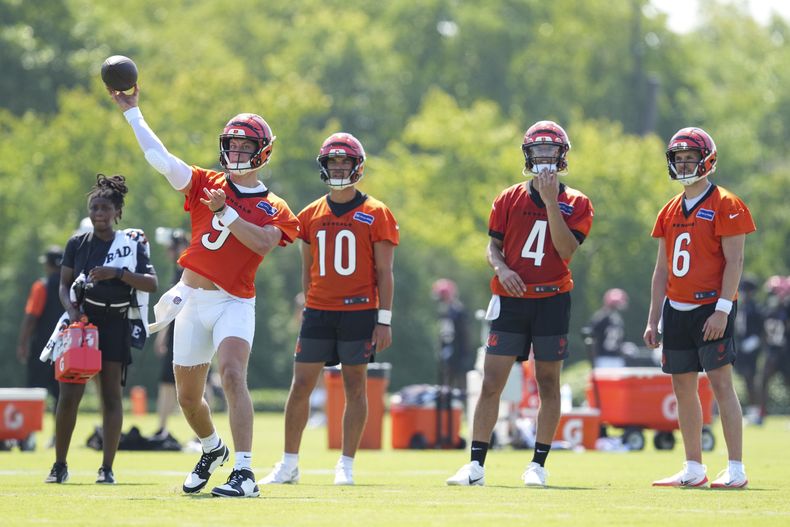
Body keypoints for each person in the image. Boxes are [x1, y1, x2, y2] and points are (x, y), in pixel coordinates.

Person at [110, 85, 300, 498]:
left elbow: (264, 243)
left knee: (232, 374)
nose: (235, 152)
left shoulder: (274, 204)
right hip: (192, 299)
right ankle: (213, 449)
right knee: (188, 399)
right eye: (230, 145)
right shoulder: (204, 182)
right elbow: (160, 160)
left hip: (234, 301)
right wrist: (133, 113)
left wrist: (225, 212)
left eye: (244, 145)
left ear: (263, 151)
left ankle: (245, 473)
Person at [446, 121, 593, 487]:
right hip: (511, 300)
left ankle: (538, 465)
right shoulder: (508, 198)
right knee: (492, 380)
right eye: (538, 151)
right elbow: (492, 246)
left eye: (551, 151)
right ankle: (476, 465)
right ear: (528, 155)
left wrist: (549, 202)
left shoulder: (576, 202)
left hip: (552, 300)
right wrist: (501, 267)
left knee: (548, 382)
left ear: (562, 157)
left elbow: (566, 249)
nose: (544, 157)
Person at [259, 133, 398, 486]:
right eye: (333, 162)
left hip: (359, 311)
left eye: (344, 162)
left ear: (357, 167)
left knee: (355, 385)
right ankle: (289, 463)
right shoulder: (310, 214)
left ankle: (346, 464)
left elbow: (385, 272)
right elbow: (306, 269)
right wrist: (309, 305)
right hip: (319, 311)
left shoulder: (376, 212)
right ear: (324, 166)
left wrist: (384, 319)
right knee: (300, 385)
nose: (338, 168)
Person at [644, 127, 755, 489]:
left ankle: (736, 468)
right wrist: (653, 318)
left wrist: (723, 309)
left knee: (722, 384)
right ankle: (693, 466)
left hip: (711, 306)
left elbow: (735, 261)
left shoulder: (727, 203)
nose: (684, 164)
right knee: (682, 387)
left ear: (707, 160)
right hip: (676, 308)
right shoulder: (669, 210)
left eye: (690, 157)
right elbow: (661, 270)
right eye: (679, 158)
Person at [45, 174, 158, 484]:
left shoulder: (131, 245)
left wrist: (118, 273)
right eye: (94, 208)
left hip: (116, 323)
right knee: (69, 395)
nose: (99, 214)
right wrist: (73, 312)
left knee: (111, 397)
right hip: (84, 323)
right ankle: (60, 464)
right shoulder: (77, 242)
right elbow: (65, 284)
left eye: (105, 208)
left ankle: (106, 468)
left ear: (117, 212)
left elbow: (152, 283)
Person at [16, 246, 63, 449]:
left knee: (33, 394)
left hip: (41, 350)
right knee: (61, 395)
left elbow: (31, 317)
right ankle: (57, 437)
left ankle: (29, 437)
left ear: (48, 264)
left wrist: (23, 343)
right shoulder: (69, 287)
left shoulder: (41, 286)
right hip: (64, 349)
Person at [152, 229, 190, 443]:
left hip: (187, 332)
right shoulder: (179, 271)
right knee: (167, 382)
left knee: (199, 382)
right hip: (176, 332)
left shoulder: (187, 270)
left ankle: (197, 434)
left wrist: (161, 335)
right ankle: (162, 428)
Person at [757, 275, 790, 424]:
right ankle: (762, 413)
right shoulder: (767, 310)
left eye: (773, 293)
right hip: (772, 352)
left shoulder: (786, 310)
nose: (770, 296)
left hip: (786, 353)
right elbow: (764, 334)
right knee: (763, 381)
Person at [432, 279, 473, 394]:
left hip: (457, 349)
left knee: (459, 379)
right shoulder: (444, 310)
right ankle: (446, 405)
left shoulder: (457, 311)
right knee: (445, 381)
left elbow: (465, 333)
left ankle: (459, 405)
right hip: (447, 348)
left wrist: (464, 352)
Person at [733, 276, 764, 422]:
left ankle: (756, 412)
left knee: (751, 379)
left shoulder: (755, 308)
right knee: (746, 379)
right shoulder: (741, 307)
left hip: (752, 348)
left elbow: (761, 330)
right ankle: (752, 411)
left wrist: (754, 341)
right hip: (741, 348)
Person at [585, 288, 629, 368]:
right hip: (603, 358)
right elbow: (591, 340)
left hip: (615, 358)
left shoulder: (616, 318)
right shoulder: (601, 318)